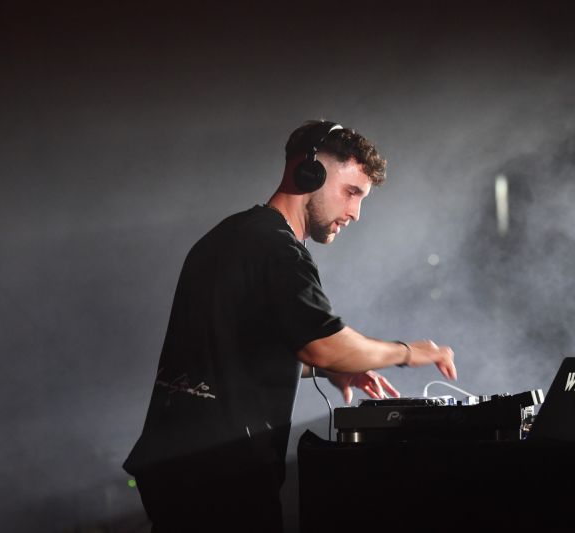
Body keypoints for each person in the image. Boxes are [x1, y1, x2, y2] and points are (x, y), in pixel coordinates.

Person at [124, 120, 457, 532]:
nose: (355, 213)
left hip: (176, 470)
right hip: (223, 480)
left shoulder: (228, 236)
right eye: (351, 192)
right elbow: (326, 345)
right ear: (309, 172)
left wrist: (327, 370)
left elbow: (235, 349)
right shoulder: (278, 252)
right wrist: (408, 352)